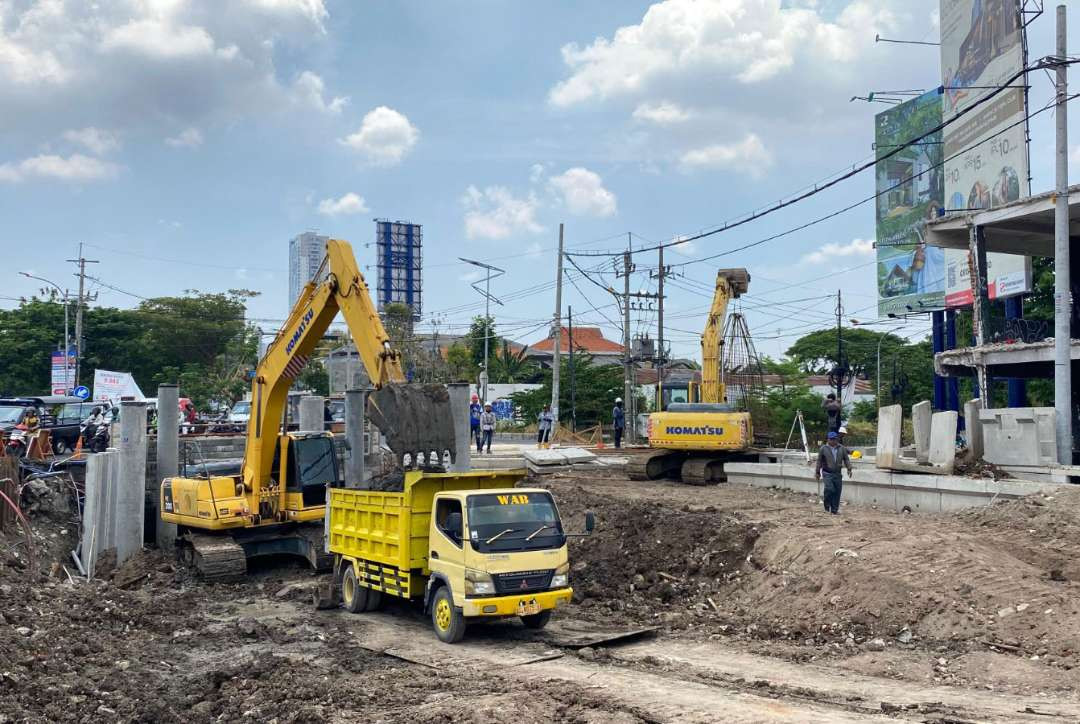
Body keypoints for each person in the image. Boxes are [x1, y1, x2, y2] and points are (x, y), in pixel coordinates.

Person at [815, 431, 852, 515]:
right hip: (827, 473)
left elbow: (846, 459)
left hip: (837, 473)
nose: (833, 441)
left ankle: (834, 510)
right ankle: (827, 507)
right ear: (828, 439)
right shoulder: (823, 449)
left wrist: (849, 468)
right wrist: (817, 472)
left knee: (837, 492)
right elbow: (819, 461)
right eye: (831, 439)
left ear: (837, 439)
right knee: (829, 489)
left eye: (834, 439)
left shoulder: (841, 448)